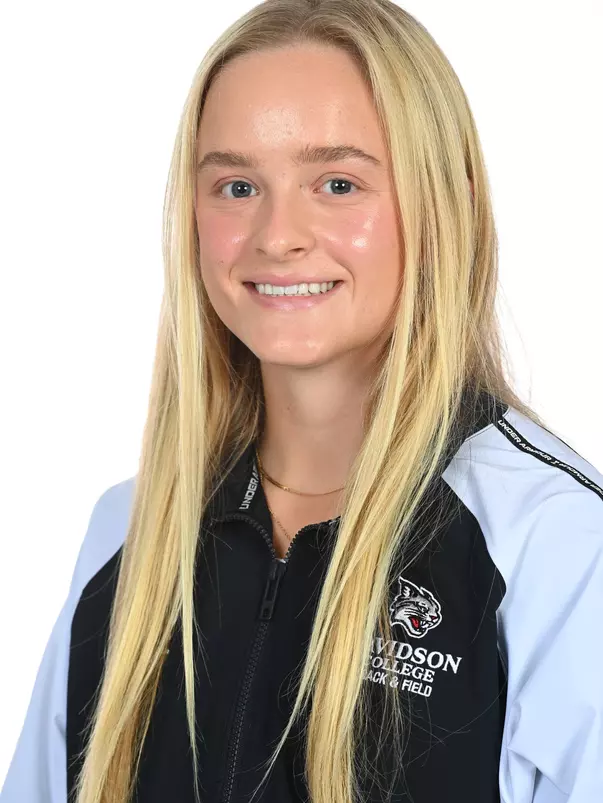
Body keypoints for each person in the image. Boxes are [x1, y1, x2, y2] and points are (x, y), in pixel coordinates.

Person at [2, 1, 602, 801]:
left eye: (337, 182)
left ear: (441, 202)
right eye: (237, 185)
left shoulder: (555, 542)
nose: (276, 234)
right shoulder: (131, 531)